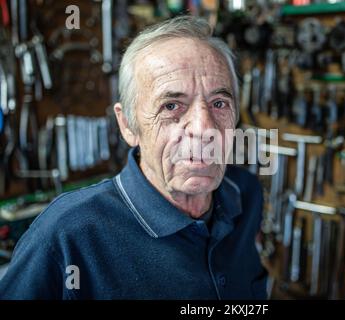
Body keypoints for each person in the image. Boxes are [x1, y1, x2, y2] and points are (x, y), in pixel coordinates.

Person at [0, 15, 267, 299]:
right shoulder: (66, 236)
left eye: (219, 103)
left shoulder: (244, 194)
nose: (204, 129)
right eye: (172, 105)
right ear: (127, 125)